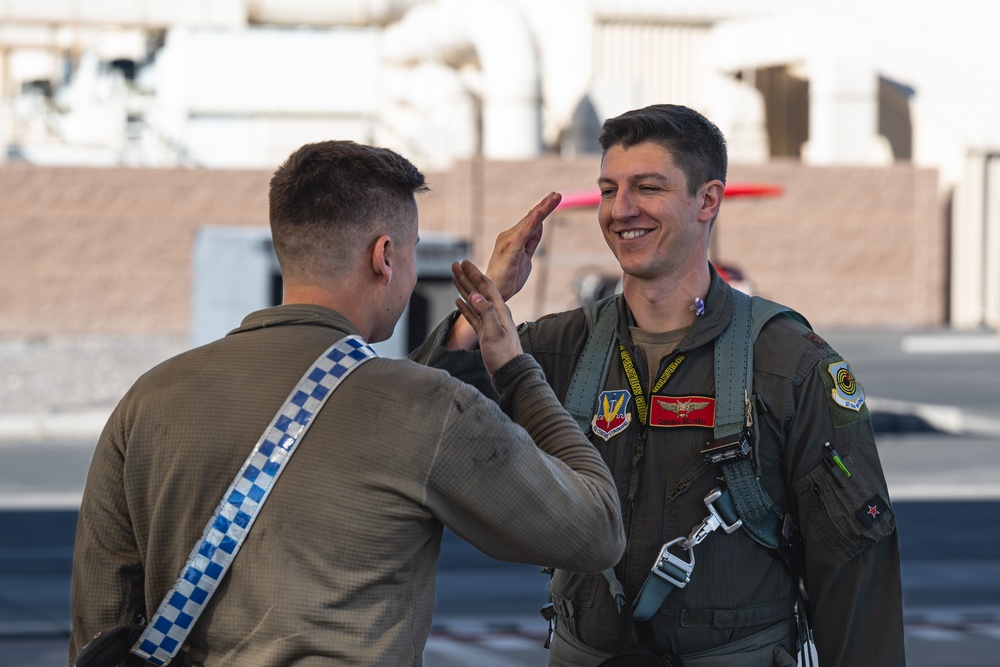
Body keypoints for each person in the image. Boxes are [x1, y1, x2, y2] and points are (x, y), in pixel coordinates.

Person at [68, 140, 626, 667]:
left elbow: (100, 628)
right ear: (384, 256)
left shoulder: (147, 399)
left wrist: (475, 311)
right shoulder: (426, 408)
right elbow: (596, 528)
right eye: (407, 255)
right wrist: (515, 369)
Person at [413, 105, 905, 666]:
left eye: (647, 188)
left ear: (708, 201)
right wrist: (482, 302)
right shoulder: (553, 350)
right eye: (608, 190)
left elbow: (855, 570)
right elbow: (417, 432)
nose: (621, 210)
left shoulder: (788, 365)